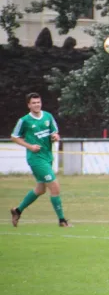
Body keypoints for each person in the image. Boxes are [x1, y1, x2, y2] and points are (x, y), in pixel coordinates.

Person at [10, 93, 71, 227]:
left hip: (48, 156)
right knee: (55, 187)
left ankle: (17, 210)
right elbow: (14, 137)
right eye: (34, 103)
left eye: (38, 102)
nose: (37, 105)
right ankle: (62, 221)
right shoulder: (24, 120)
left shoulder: (48, 116)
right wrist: (30, 146)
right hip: (36, 159)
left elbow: (55, 132)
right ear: (29, 105)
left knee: (40, 189)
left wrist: (55, 136)